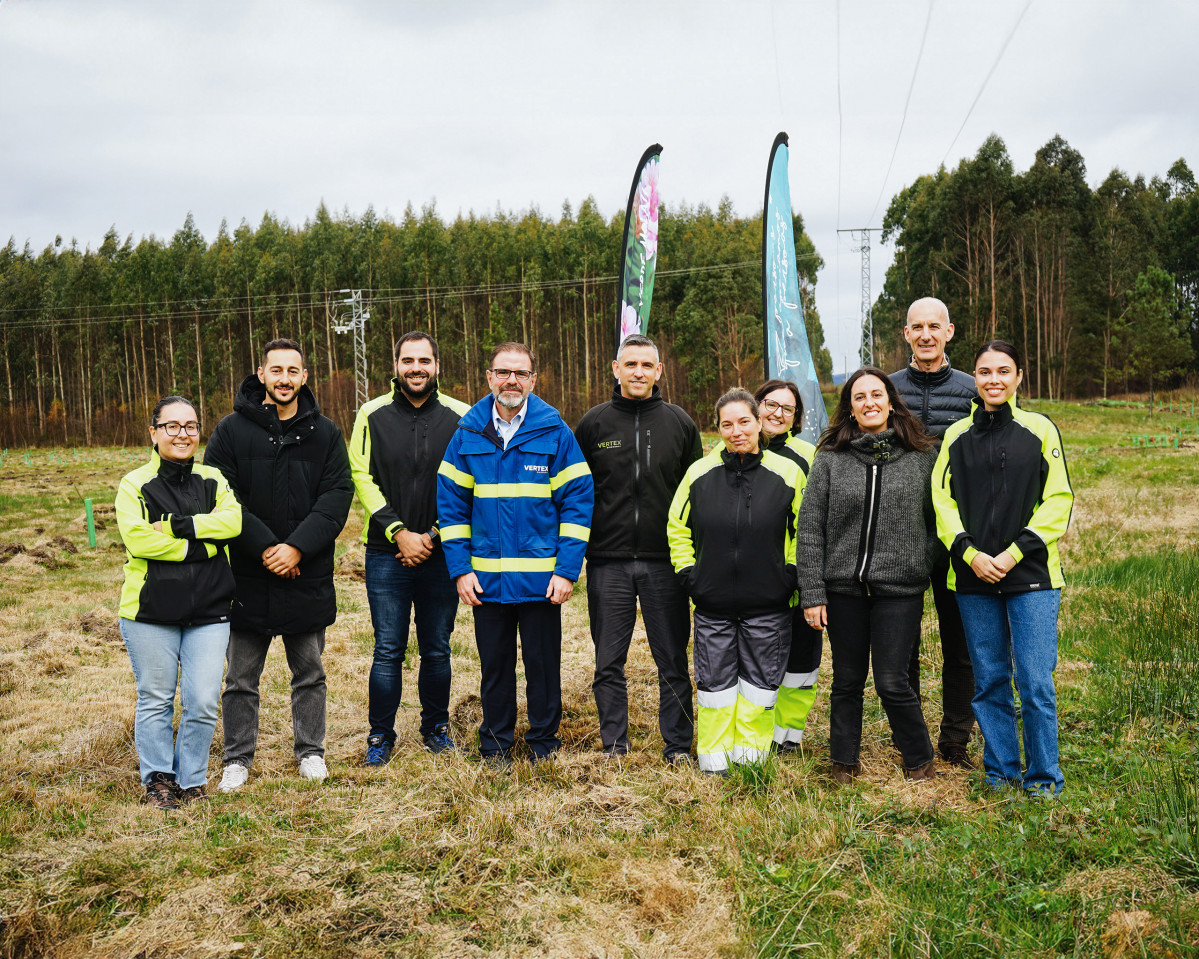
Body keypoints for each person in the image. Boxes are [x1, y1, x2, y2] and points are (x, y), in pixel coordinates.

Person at [204, 339, 353, 792]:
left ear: (304, 377)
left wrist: (297, 549)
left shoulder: (325, 433)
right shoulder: (229, 431)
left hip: (306, 575)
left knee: (309, 671)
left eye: (294, 371)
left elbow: (336, 497)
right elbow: (220, 496)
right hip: (247, 575)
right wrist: (269, 548)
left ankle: (311, 752)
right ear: (261, 374)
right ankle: (237, 758)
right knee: (240, 678)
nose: (285, 378)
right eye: (277, 370)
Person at [436, 342, 594, 769]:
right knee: (495, 668)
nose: (511, 381)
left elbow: (578, 505)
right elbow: (450, 508)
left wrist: (566, 571)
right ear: (488, 378)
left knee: (543, 667)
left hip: (543, 581)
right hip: (485, 580)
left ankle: (544, 743)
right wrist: (460, 569)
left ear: (533, 380)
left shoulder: (556, 433)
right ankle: (496, 747)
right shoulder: (467, 434)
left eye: (520, 374)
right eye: (503, 372)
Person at [933, 340, 1073, 798]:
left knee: (1034, 681)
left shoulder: (1040, 429)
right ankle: (1001, 771)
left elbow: (1058, 500)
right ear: (974, 378)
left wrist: (1014, 553)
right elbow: (941, 502)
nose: (993, 379)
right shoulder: (955, 436)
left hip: (1031, 577)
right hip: (973, 579)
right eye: (985, 371)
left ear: (1017, 378)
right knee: (989, 679)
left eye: (1003, 371)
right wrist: (970, 554)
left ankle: (1044, 779)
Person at [797, 368, 939, 784]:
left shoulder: (922, 458)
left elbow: (938, 524)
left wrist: (919, 561)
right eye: (859, 397)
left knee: (893, 681)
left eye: (876, 394)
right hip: (843, 590)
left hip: (900, 590)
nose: (869, 402)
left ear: (891, 401)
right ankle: (843, 762)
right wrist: (813, 592)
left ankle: (919, 759)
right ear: (850, 409)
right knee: (846, 680)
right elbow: (810, 529)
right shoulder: (829, 459)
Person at [575, 334, 702, 764]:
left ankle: (678, 746)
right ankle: (615, 745)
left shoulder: (680, 424)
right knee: (608, 662)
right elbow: (576, 493)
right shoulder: (592, 424)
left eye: (647, 366)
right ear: (615, 369)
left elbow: (694, 497)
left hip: (664, 564)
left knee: (672, 661)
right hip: (607, 562)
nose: (638, 373)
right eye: (630, 365)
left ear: (659, 371)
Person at [667, 389, 804, 775]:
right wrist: (688, 574)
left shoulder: (788, 473)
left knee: (760, 687)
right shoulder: (698, 473)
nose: (736, 431)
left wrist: (789, 576)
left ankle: (750, 759)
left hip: (769, 604)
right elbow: (677, 527)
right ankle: (713, 760)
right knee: (715, 688)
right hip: (712, 605)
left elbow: (803, 533)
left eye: (744, 421)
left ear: (760, 423)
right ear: (719, 429)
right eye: (727, 424)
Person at [350, 331, 470, 766]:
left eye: (425, 360)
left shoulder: (463, 415)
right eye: (408, 360)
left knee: (437, 646)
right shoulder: (372, 413)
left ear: (438, 366)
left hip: (443, 553)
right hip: (386, 554)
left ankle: (436, 728)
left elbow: (468, 482)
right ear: (395, 365)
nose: (416, 368)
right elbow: (361, 476)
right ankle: (380, 735)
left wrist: (432, 536)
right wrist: (398, 531)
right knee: (388, 648)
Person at [115, 395, 242, 808]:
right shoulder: (134, 484)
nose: (182, 434)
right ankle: (157, 781)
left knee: (203, 699)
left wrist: (176, 527)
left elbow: (233, 522)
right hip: (150, 611)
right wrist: (202, 547)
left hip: (209, 609)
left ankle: (191, 780)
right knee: (156, 696)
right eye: (172, 426)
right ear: (153, 433)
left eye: (190, 426)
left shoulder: (213, 479)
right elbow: (138, 540)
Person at [889, 296, 978, 767]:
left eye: (934, 326)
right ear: (906, 334)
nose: (925, 334)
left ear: (950, 332)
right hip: (900, 535)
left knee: (959, 642)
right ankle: (913, 738)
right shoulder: (886, 389)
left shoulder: (972, 389)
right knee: (902, 645)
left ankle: (955, 740)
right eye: (916, 326)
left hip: (957, 535)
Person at [753, 378, 819, 751]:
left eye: (787, 409)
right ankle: (756, 734)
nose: (777, 413)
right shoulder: (736, 449)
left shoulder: (809, 456)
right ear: (756, 405)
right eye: (770, 404)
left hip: (799, 577)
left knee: (800, 664)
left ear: (796, 418)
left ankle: (788, 737)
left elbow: (814, 523)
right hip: (753, 581)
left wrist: (807, 577)